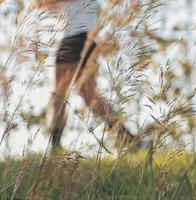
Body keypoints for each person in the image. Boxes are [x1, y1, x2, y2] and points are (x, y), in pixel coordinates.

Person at [31, 0, 137, 152]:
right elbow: (44, 5)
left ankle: (54, 147)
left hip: (74, 39)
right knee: (90, 96)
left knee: (58, 94)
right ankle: (131, 140)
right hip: (89, 40)